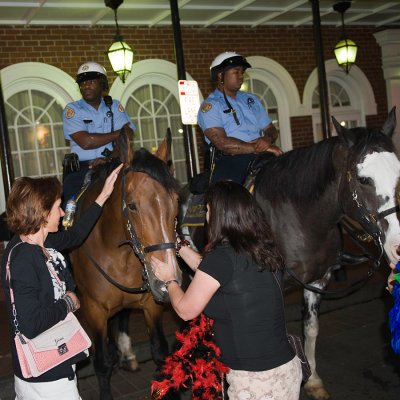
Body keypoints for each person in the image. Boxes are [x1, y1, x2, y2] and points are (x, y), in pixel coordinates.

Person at [151, 181, 302, 399]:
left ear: (220, 215)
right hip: (284, 369)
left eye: (208, 210)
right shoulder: (259, 247)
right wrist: (177, 244)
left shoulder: (221, 257)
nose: (206, 216)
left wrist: (170, 280)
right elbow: (213, 271)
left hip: (255, 381)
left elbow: (186, 310)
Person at [0, 163, 123, 400]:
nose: (63, 213)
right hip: (46, 378)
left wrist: (104, 195)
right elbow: (31, 324)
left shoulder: (41, 242)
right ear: (43, 214)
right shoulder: (23, 257)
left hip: (54, 361)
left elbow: (76, 235)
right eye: (58, 207)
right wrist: (68, 302)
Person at [197, 51, 283, 185]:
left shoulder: (251, 100)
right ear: (220, 75)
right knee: (230, 199)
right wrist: (259, 147)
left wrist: (267, 139)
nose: (241, 76)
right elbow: (223, 143)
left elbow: (270, 128)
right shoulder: (210, 106)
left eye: (242, 72)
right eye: (236, 72)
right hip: (231, 161)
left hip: (261, 156)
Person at [62, 61, 135, 205]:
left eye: (91, 81)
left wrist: (109, 158)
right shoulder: (73, 110)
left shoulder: (113, 105)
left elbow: (128, 134)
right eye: (82, 83)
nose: (86, 86)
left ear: (102, 84)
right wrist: (118, 133)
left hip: (112, 163)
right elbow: (86, 142)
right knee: (69, 207)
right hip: (83, 169)